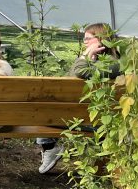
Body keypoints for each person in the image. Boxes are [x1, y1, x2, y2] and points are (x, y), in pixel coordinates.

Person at [38, 22, 120, 174]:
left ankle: (50, 147)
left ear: (101, 40)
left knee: (42, 113)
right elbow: (73, 80)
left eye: (88, 39)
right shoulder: (106, 63)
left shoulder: (112, 65)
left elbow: (77, 73)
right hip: (89, 118)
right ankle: (50, 147)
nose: (85, 42)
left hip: (96, 122)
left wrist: (84, 56)